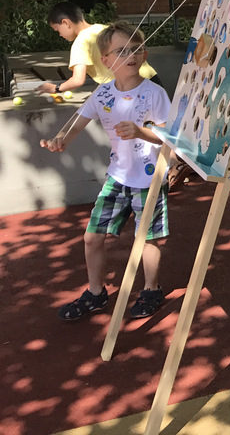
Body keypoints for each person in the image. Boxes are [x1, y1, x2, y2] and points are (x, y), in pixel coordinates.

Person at [40, 21, 172, 321]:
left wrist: (140, 132)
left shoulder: (154, 93)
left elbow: (168, 137)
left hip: (148, 179)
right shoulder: (102, 94)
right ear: (106, 60)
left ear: (145, 54)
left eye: (137, 49)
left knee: (147, 239)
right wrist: (61, 140)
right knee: (92, 237)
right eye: (122, 51)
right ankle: (96, 292)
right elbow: (76, 125)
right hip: (117, 177)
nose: (131, 55)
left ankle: (152, 289)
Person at [40, 1, 161, 96]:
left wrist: (56, 88)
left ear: (65, 23)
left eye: (57, 30)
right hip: (152, 79)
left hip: (131, 89)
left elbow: (77, 80)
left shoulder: (80, 43)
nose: (60, 35)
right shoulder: (104, 28)